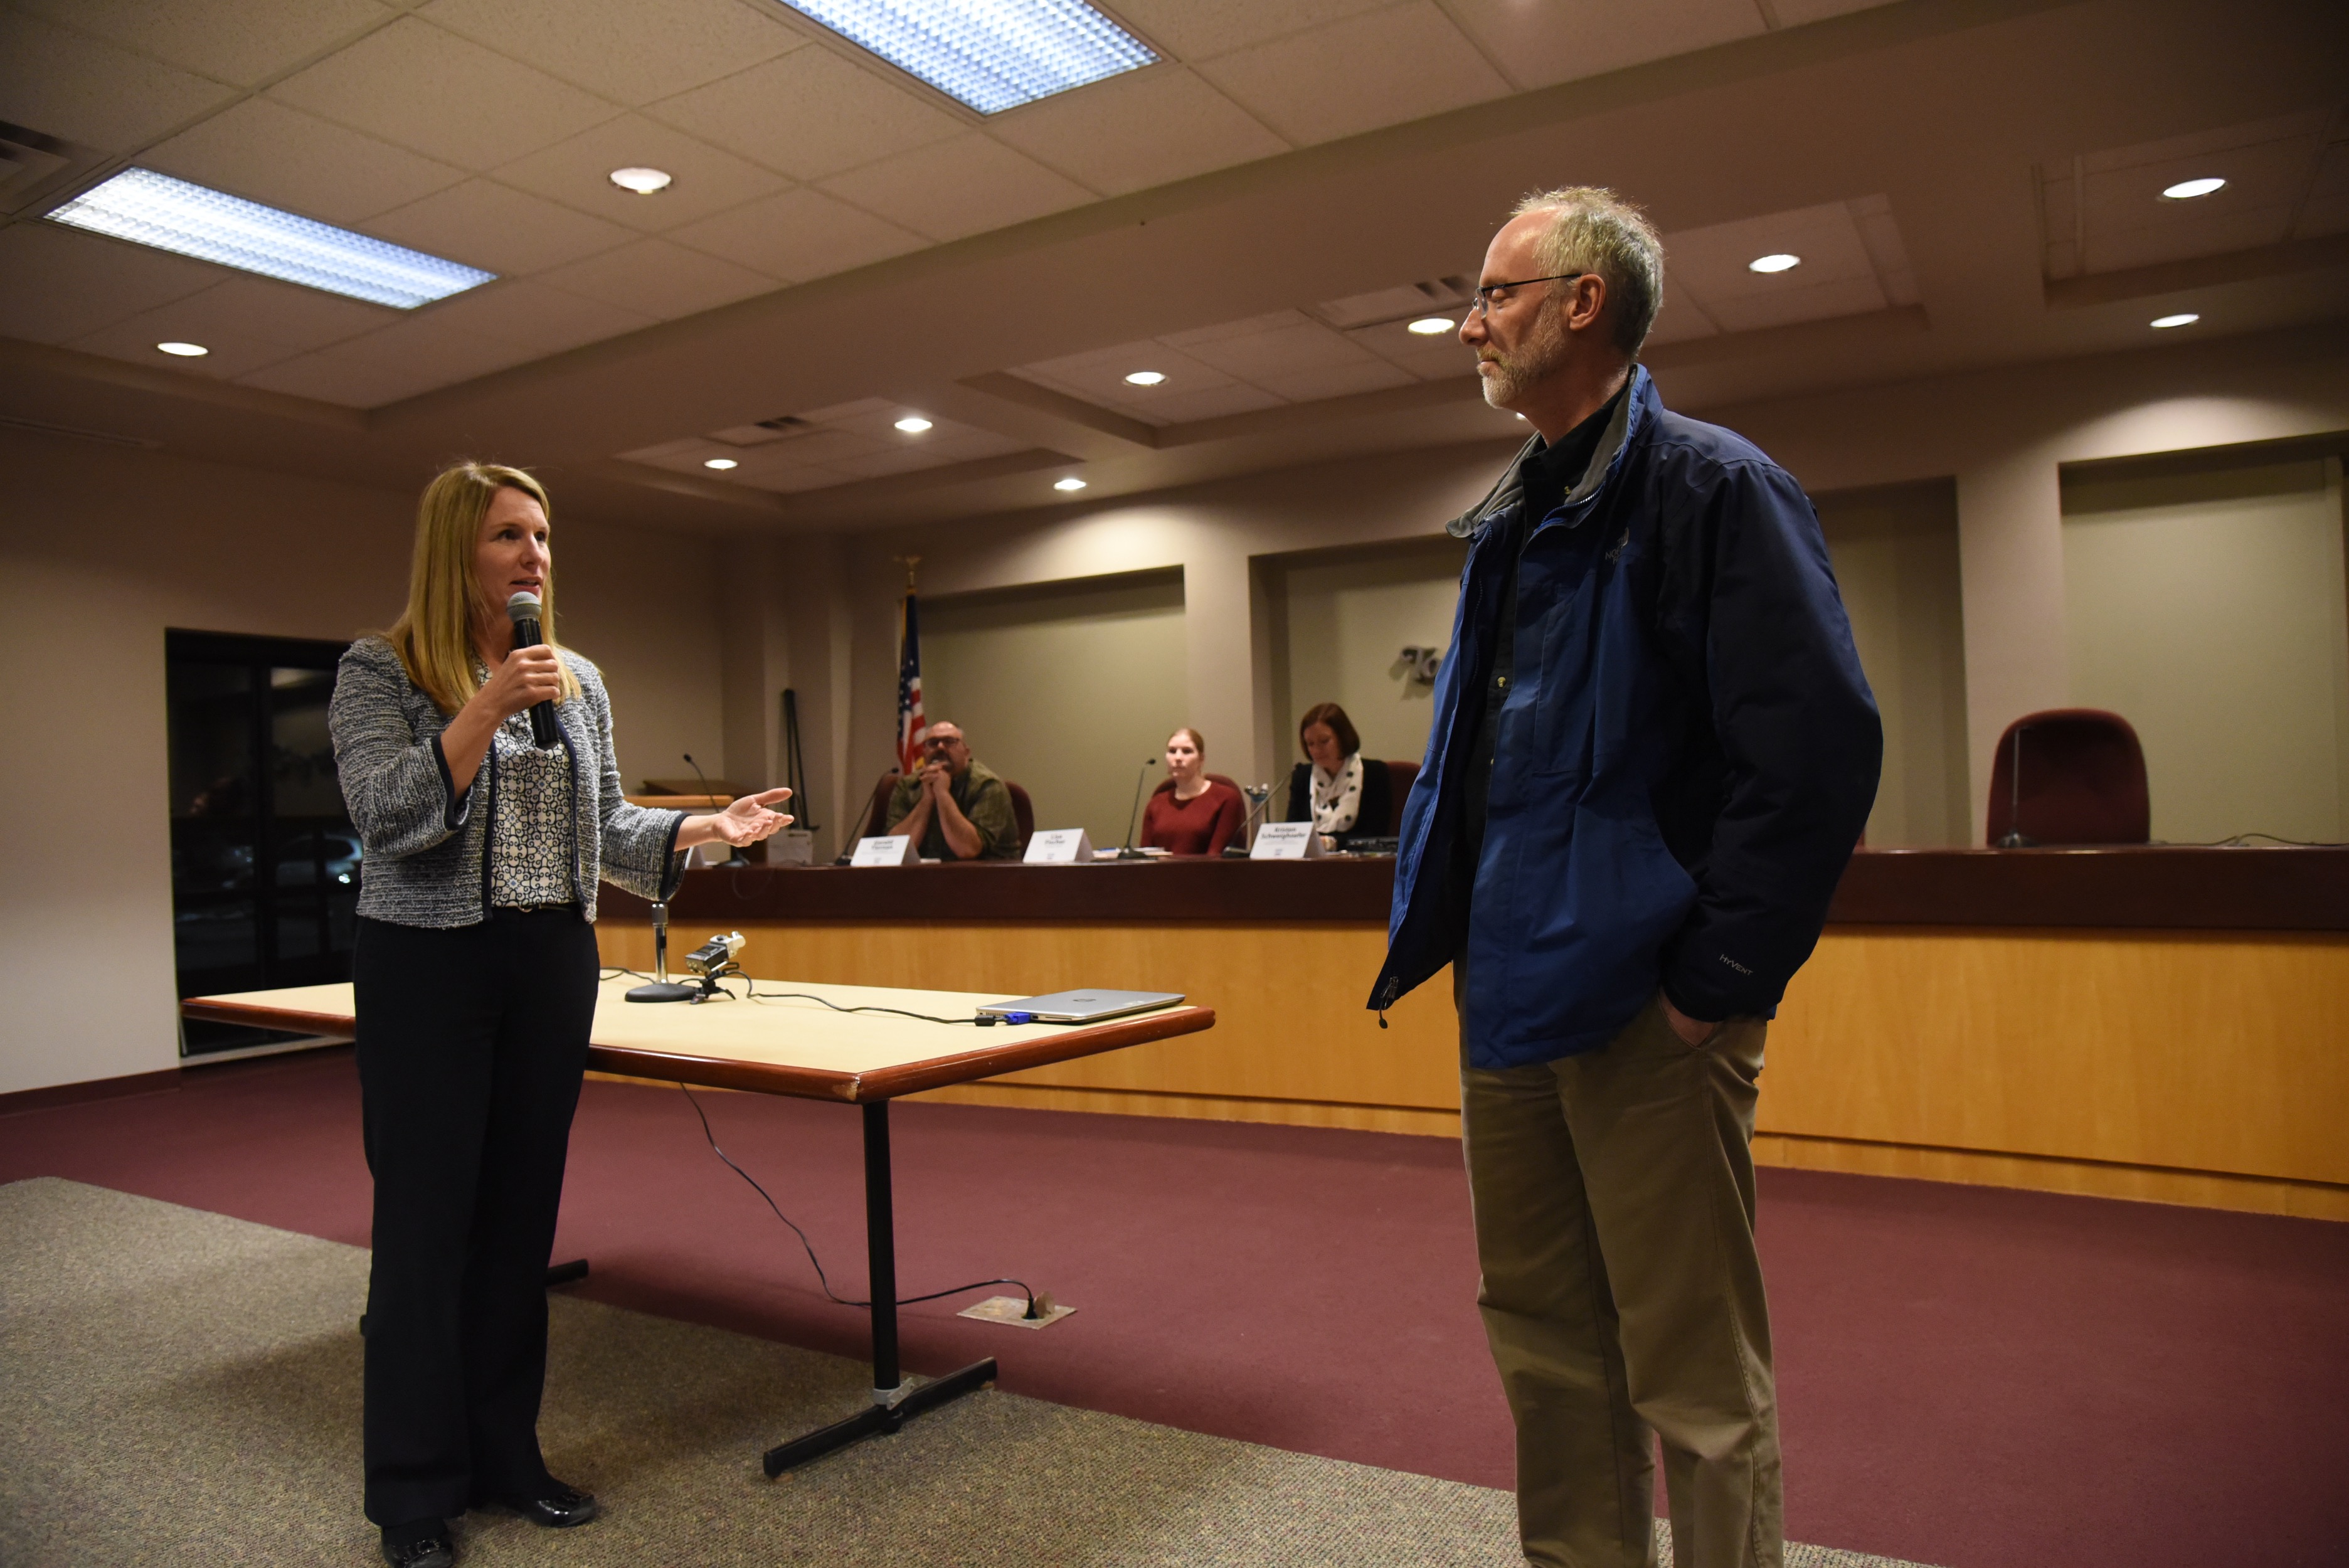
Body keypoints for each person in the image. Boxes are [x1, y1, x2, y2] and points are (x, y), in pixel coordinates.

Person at [1369, 189, 1881, 1568]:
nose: (1470, 323)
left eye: (1496, 294)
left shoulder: (1714, 488)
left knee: (1695, 1378)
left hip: (1651, 1008)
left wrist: (1717, 981)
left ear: (1583, 303)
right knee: (1546, 1350)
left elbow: (1816, 757)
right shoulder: (1508, 517)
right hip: (1510, 999)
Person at [331, 462, 791, 1568]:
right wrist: (486, 705)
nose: (533, 554)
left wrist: (703, 829)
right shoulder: (381, 669)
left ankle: (507, 1457)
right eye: (508, 535)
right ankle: (413, 1491)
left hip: (547, 964)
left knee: (517, 1227)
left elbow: (608, 826)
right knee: (426, 1232)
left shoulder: (577, 678)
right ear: (456, 550)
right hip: (428, 963)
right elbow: (386, 814)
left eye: (540, 535)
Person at [884, 720, 1019, 860]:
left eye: (950, 742)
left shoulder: (988, 785)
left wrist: (942, 794)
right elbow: (895, 849)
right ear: (924, 753)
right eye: (933, 743)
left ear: (966, 752)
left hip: (987, 870)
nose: (940, 747)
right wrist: (927, 799)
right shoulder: (907, 785)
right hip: (927, 871)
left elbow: (968, 850)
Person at [1284, 702, 1394, 843]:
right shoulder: (1302, 776)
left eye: (1324, 741)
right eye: (1310, 744)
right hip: (1312, 857)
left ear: (1343, 737)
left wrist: (1333, 844)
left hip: (1359, 857)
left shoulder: (1375, 773)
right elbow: (1293, 832)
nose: (1316, 750)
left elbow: (1376, 834)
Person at [1139, 728, 1244, 855]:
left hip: (1206, 868)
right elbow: (1145, 857)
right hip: (1161, 868)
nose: (1178, 758)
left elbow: (1216, 857)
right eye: (1172, 751)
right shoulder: (1156, 803)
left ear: (1201, 759)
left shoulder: (1226, 798)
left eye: (1187, 751)